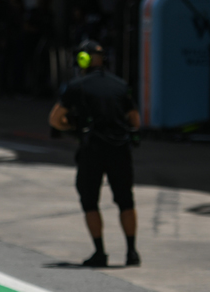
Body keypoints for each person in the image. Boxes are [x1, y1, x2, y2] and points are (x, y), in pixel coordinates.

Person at [48, 40, 142, 268]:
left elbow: (55, 119)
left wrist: (71, 128)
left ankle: (100, 252)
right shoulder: (120, 85)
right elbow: (135, 121)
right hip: (120, 150)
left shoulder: (76, 86)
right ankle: (131, 252)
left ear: (83, 59)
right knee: (125, 200)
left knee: (90, 201)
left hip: (92, 150)